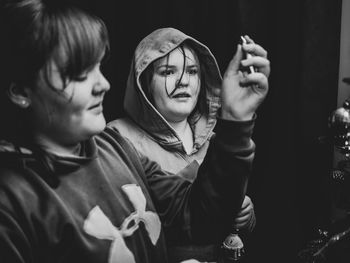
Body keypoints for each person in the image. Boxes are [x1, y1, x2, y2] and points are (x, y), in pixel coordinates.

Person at [0, 1, 269, 263]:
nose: (103, 84)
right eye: (79, 74)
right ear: (21, 91)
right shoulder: (11, 206)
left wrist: (234, 119)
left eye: (98, 68)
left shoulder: (116, 149)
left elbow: (200, 217)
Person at [108, 27, 267, 262]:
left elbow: (222, 219)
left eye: (192, 71)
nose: (183, 81)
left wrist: (245, 215)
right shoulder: (118, 139)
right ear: (145, 82)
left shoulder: (220, 139)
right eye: (168, 71)